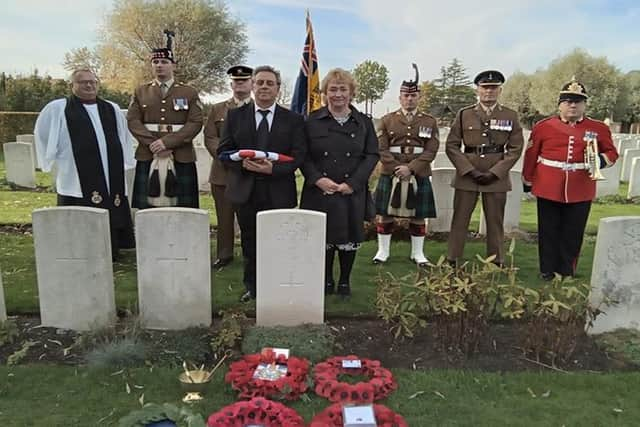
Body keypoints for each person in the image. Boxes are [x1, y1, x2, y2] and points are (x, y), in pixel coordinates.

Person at [217, 65, 307, 302]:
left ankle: (278, 284)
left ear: (278, 88)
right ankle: (253, 287)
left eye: (270, 83)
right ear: (253, 86)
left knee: (279, 242)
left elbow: (299, 156)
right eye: (260, 82)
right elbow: (224, 151)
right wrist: (242, 165)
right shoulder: (235, 116)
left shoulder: (294, 120)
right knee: (250, 241)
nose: (264, 87)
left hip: (278, 190)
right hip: (245, 190)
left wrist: (273, 168)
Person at [522, 77, 618, 280]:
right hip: (548, 184)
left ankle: (566, 270)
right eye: (567, 101)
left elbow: (612, 153)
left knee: (573, 233)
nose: (572, 105)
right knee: (548, 231)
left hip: (580, 186)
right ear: (559, 105)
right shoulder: (543, 126)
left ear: (585, 104)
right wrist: (528, 180)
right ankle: (547, 270)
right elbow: (531, 155)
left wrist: (599, 161)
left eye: (577, 101)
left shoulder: (599, 128)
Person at [34, 68, 135, 260]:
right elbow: (43, 134)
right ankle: (79, 250)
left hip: (109, 173)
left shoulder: (111, 108)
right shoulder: (58, 108)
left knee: (110, 201)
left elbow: (123, 136)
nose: (89, 85)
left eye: (92, 82)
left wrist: (125, 160)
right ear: (72, 85)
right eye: (82, 82)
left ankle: (111, 249)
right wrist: (51, 158)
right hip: (74, 174)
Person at [300, 68, 379, 297]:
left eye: (343, 89)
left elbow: (372, 155)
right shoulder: (312, 121)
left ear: (351, 93)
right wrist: (317, 179)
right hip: (320, 190)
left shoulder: (363, 122)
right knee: (322, 238)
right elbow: (302, 154)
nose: (337, 94)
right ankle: (325, 280)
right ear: (325, 93)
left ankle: (344, 281)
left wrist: (353, 183)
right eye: (332, 89)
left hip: (350, 191)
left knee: (349, 237)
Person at [445, 70, 524, 267]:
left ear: (500, 90)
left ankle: (496, 260)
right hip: (467, 174)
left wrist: (495, 172)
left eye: (493, 88)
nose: (489, 91)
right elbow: (452, 145)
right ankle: (453, 258)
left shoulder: (510, 115)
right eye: (485, 88)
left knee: (495, 221)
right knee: (460, 220)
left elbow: (515, 148)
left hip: (495, 176)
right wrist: (468, 170)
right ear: (477, 90)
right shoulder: (464, 114)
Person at [127, 30, 203, 209]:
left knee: (183, 207)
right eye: (155, 62)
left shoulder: (189, 92)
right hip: (148, 154)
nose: (159, 65)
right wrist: (153, 144)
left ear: (173, 65)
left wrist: (167, 143)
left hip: (181, 156)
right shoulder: (140, 91)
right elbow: (133, 121)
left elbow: (195, 122)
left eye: (164, 62)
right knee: (147, 208)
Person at [372, 64, 439, 267]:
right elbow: (381, 149)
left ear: (419, 97)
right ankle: (382, 252)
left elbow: (431, 149)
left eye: (413, 96)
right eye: (405, 95)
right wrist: (397, 168)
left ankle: (417, 254)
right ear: (399, 97)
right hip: (391, 173)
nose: (409, 99)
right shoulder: (386, 120)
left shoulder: (429, 121)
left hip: (418, 173)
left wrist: (411, 168)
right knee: (385, 214)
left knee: (419, 215)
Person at [204, 65, 253, 269]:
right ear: (231, 84)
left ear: (251, 84)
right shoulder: (218, 109)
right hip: (222, 172)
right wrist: (227, 157)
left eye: (244, 81)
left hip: (250, 172)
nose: (239, 84)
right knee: (224, 217)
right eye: (236, 81)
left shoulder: (258, 109)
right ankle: (224, 254)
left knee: (249, 217)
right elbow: (210, 137)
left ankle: (251, 254)